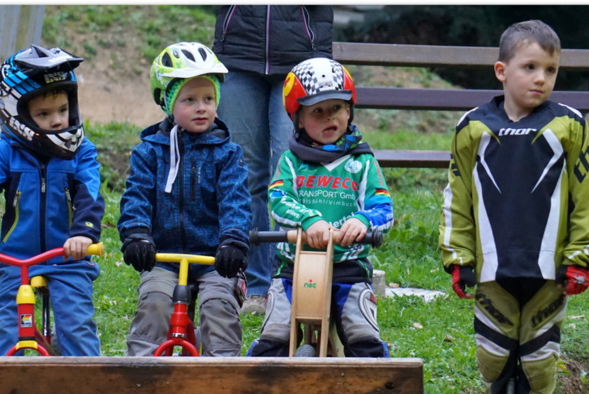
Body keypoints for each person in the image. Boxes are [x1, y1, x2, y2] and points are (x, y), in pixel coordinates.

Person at [438, 20, 589, 394]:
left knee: (540, 355)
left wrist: (580, 256)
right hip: (492, 267)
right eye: (530, 67)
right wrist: (457, 255)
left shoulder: (567, 126)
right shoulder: (472, 127)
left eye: (550, 70)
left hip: (549, 269)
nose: (541, 78)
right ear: (501, 70)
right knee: (492, 353)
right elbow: (456, 193)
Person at [0, 45, 105, 357]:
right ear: (17, 115)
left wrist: (83, 233)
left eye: (63, 110)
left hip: (68, 258)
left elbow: (90, 194)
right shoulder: (8, 151)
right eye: (44, 114)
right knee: (5, 327)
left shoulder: (82, 152)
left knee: (76, 326)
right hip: (18, 259)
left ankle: (93, 391)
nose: (57, 121)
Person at [250, 57, 393, 358]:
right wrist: (307, 220)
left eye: (337, 108)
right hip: (293, 265)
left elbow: (383, 206)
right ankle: (258, 389)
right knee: (273, 337)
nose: (330, 117)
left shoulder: (361, 162)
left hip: (348, 267)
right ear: (298, 118)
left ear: (350, 110)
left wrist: (364, 221)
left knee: (363, 336)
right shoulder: (291, 161)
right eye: (318, 111)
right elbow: (278, 198)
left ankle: (373, 391)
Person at [117, 42, 251, 357]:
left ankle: (222, 374)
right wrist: (137, 234)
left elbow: (236, 202)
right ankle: (140, 373)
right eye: (189, 100)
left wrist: (232, 242)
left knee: (219, 305)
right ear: (167, 103)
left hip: (213, 258)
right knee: (154, 302)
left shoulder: (227, 155)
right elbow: (136, 195)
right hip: (163, 257)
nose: (201, 107)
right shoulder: (149, 151)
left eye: (208, 98)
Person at [213, 5, 334, 315]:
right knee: (245, 174)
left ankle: (295, 281)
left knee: (292, 173)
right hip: (237, 55)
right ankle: (255, 286)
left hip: (302, 61)